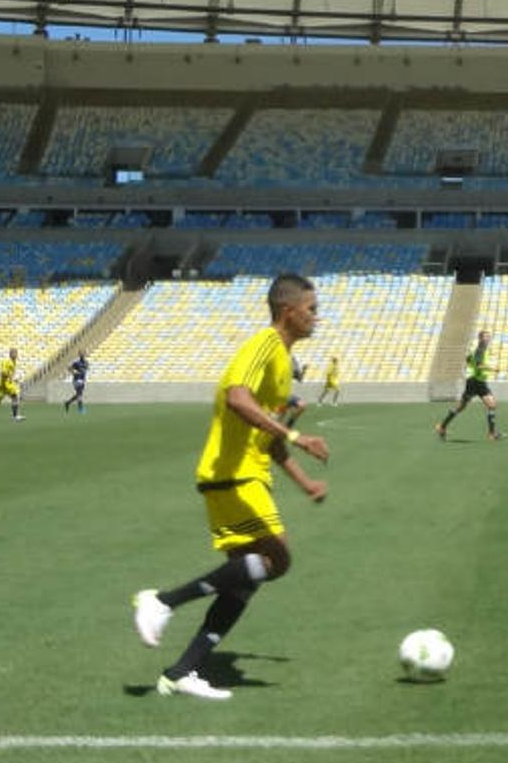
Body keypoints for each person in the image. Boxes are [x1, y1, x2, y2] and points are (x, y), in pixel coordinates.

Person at [131, 274, 330, 701]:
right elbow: (238, 400)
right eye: (312, 308)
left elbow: (268, 439)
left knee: (244, 579)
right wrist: (299, 437)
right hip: (232, 473)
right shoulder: (265, 345)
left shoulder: (282, 365)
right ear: (287, 311)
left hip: (247, 473)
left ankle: (181, 672)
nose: (317, 316)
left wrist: (304, 481)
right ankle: (162, 601)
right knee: (277, 559)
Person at [438, 330, 503, 441]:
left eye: (489, 337)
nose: (488, 338)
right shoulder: (480, 350)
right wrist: (494, 369)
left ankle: (491, 434)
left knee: (485, 405)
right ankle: (442, 427)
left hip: (479, 381)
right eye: (486, 337)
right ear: (480, 338)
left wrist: (470, 365)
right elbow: (479, 365)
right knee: (467, 406)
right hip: (475, 382)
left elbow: (468, 360)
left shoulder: (481, 350)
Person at [63, 350, 90, 414]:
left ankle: (68, 403)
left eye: (83, 353)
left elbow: (86, 369)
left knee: (78, 394)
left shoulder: (86, 362)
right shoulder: (76, 362)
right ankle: (80, 409)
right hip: (77, 380)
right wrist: (74, 372)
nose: (82, 355)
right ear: (79, 355)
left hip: (82, 380)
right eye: (81, 354)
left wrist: (84, 373)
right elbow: (69, 368)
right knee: (79, 394)